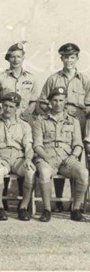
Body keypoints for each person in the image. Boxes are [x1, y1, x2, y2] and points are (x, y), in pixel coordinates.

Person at [38, 43, 90, 212]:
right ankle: (59, 200)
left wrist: (79, 114)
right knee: (56, 155)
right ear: (61, 58)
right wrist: (55, 111)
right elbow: (42, 102)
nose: (69, 60)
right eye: (66, 57)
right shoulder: (53, 79)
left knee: (76, 161)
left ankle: (78, 203)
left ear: (77, 59)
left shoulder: (85, 80)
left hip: (79, 122)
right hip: (56, 119)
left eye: (72, 57)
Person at [33, 87, 88, 222]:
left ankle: (76, 209)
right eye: (55, 100)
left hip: (66, 159)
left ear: (65, 101)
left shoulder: (73, 121)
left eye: (61, 100)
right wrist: (46, 157)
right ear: (50, 102)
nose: (58, 103)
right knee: (45, 173)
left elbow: (78, 144)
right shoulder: (40, 120)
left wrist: (73, 156)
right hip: (47, 157)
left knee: (83, 173)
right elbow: (37, 145)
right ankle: (47, 209)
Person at [0, 92, 35, 221]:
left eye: (11, 106)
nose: (7, 109)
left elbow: (29, 147)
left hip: (19, 158)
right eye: (5, 105)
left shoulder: (24, 126)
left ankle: (23, 207)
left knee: (30, 171)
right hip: (1, 156)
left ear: (17, 108)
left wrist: (28, 159)